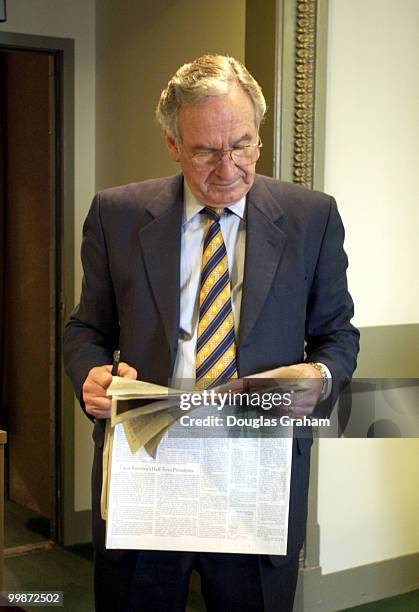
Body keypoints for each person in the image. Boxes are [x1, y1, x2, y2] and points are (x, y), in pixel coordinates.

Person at [64, 54, 359, 611]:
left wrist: (319, 380)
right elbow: (87, 327)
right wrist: (92, 372)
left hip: (257, 470)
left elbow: (338, 336)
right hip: (150, 460)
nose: (227, 169)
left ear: (259, 135)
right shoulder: (117, 214)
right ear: (173, 144)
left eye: (243, 145)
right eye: (205, 151)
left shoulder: (311, 217)